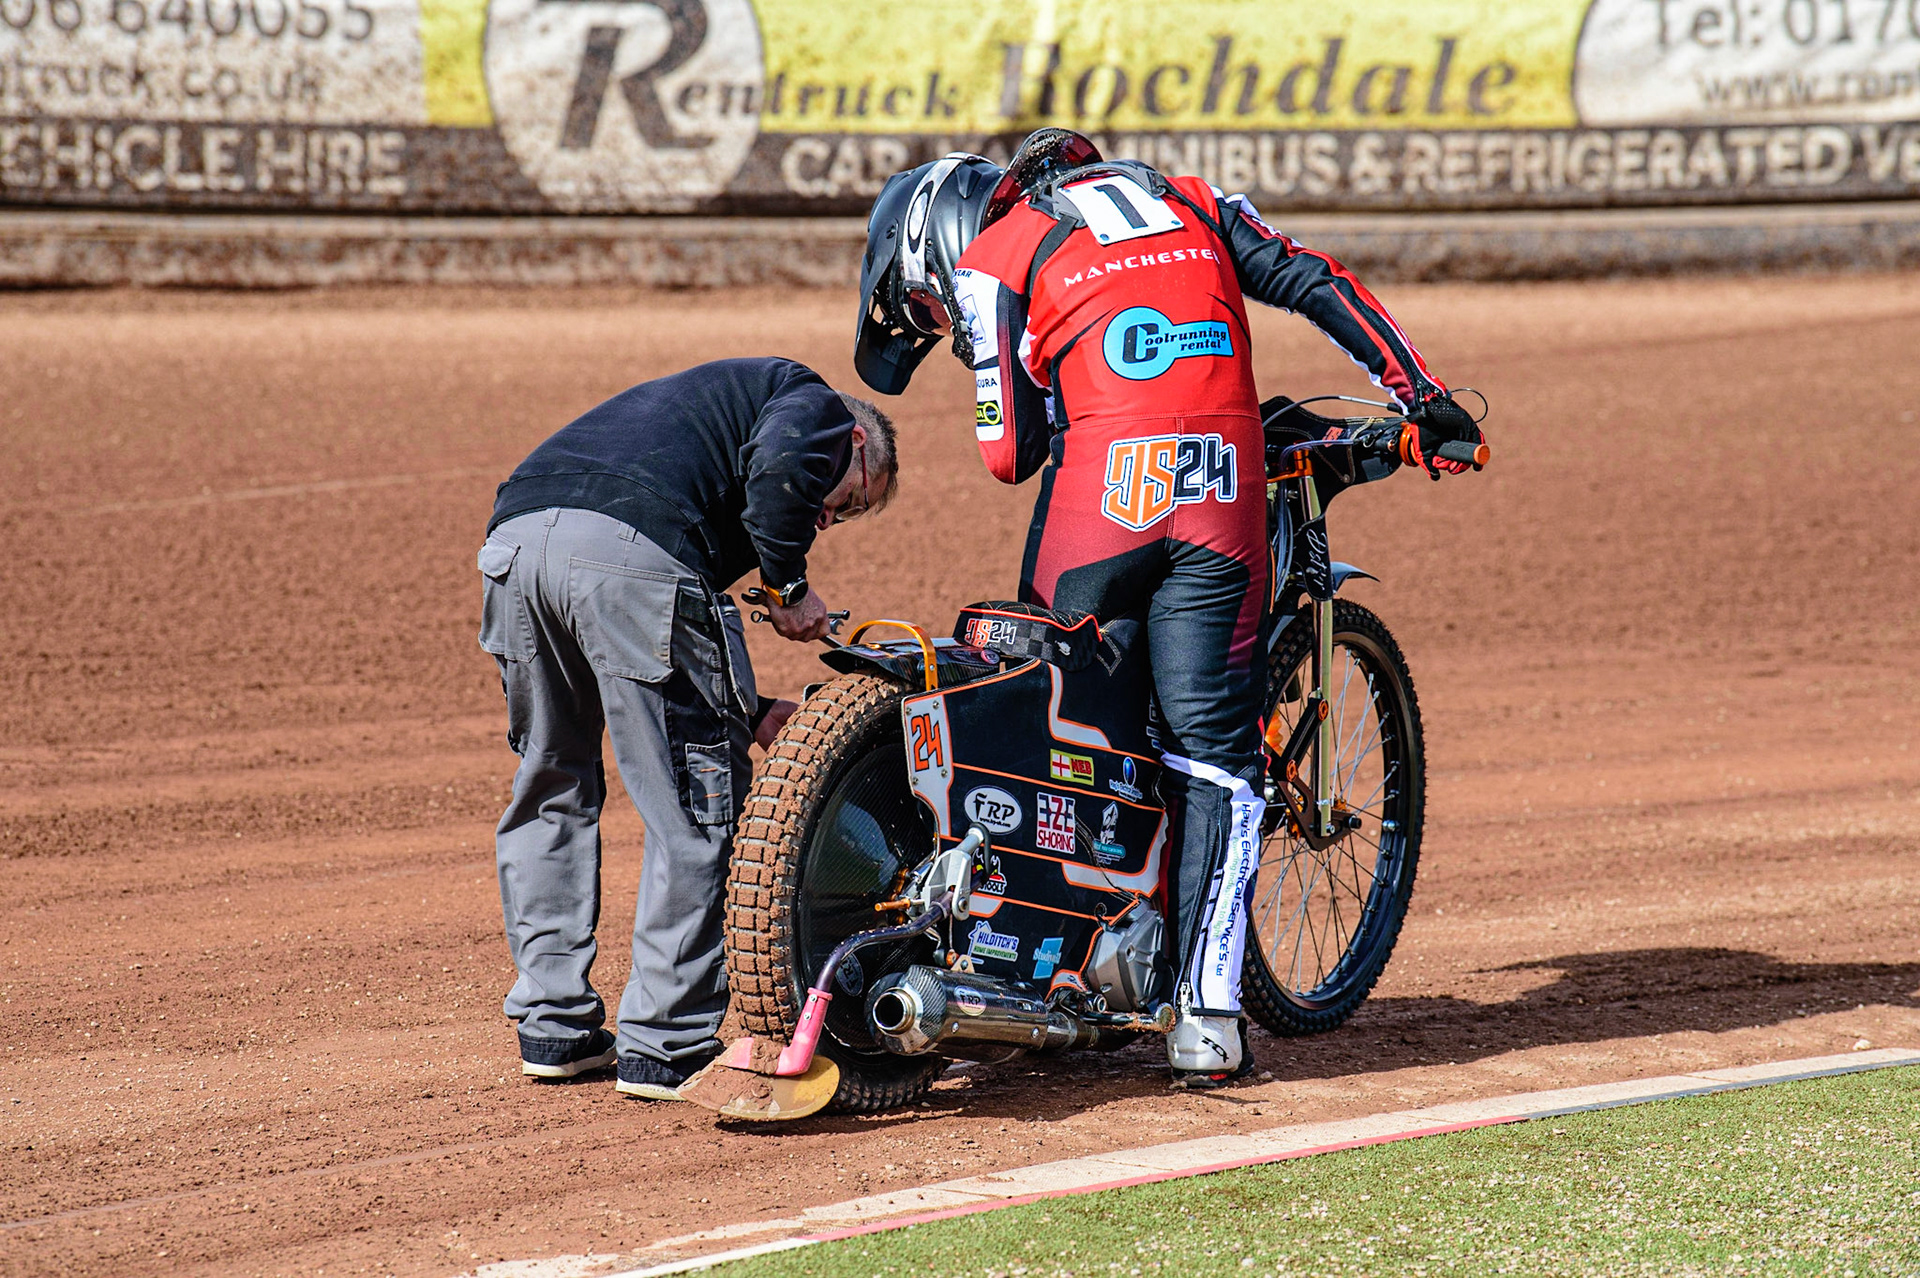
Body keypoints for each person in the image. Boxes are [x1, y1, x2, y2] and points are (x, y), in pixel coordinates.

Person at [853, 130, 1483, 1087]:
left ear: (934, 246)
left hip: (1105, 497)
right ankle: (1206, 1019)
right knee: (1216, 755)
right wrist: (1422, 395)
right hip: (1224, 491)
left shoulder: (997, 256)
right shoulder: (1191, 197)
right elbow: (1318, 281)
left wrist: (1035, 371)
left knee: (1050, 689)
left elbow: (1008, 453)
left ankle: (1026, 951)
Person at [477, 357, 897, 1099]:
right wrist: (789, 585)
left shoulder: (697, 416)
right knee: (699, 812)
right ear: (859, 446)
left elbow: (648, 656)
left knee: (552, 782)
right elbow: (786, 470)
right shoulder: (817, 406)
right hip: (630, 556)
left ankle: (554, 1027)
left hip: (516, 547)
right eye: (851, 501)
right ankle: (664, 1044)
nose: (831, 518)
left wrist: (748, 708)